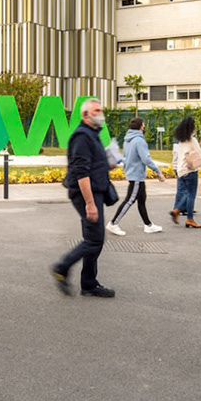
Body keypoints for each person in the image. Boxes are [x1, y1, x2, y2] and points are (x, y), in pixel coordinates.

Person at [51, 98, 115, 298]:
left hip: (94, 192)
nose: (100, 114)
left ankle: (88, 283)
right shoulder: (81, 137)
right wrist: (89, 203)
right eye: (96, 111)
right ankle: (62, 267)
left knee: (93, 239)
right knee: (94, 240)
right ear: (85, 115)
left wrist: (108, 164)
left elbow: (93, 164)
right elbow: (81, 172)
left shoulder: (92, 135)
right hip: (85, 194)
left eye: (101, 110)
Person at [107, 115, 165, 235]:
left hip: (132, 173)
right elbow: (146, 159)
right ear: (140, 126)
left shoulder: (128, 139)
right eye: (143, 124)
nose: (144, 127)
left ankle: (148, 225)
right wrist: (158, 171)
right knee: (130, 200)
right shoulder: (139, 140)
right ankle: (113, 223)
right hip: (136, 175)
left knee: (141, 200)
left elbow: (126, 156)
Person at [169, 115, 201, 229]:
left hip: (181, 170)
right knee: (191, 194)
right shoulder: (192, 140)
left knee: (186, 193)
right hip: (191, 170)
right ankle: (189, 218)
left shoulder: (181, 140)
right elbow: (200, 153)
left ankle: (177, 210)